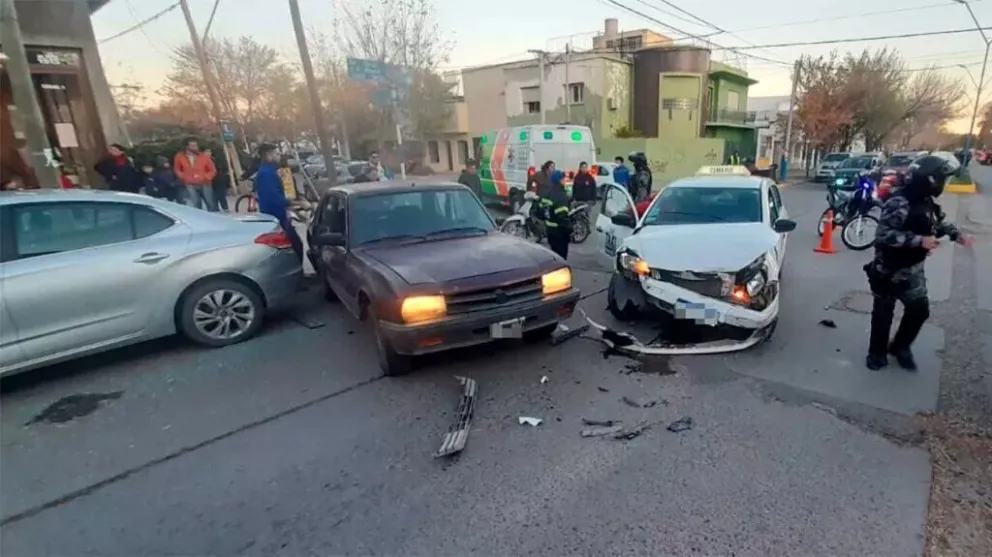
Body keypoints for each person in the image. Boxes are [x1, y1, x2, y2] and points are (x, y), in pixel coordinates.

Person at [864, 154, 973, 371]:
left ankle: (900, 346)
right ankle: (876, 353)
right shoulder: (899, 202)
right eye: (941, 180)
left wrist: (956, 235)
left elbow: (936, 222)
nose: (944, 184)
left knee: (919, 310)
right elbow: (884, 235)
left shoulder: (926, 202)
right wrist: (918, 240)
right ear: (929, 180)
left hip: (912, 270)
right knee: (883, 313)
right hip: (888, 269)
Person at [255, 143, 303, 259]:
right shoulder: (266, 174)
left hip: (279, 216)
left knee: (293, 246)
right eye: (276, 154)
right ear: (268, 156)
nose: (279, 156)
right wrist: (299, 204)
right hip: (276, 218)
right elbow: (275, 198)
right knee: (295, 246)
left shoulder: (270, 171)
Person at [173, 138, 218, 211]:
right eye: (192, 145)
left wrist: (205, 177)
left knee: (210, 203)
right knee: (196, 204)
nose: (195, 147)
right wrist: (184, 177)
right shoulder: (180, 157)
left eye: (196, 145)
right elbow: (177, 169)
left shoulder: (204, 156)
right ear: (187, 147)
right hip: (190, 184)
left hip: (205, 183)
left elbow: (213, 170)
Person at [539, 169, 572, 260]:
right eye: (563, 179)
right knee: (561, 257)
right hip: (560, 232)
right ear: (559, 180)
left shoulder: (546, 192)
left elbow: (540, 211)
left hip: (549, 230)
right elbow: (562, 216)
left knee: (554, 255)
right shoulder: (561, 195)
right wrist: (569, 229)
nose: (565, 180)